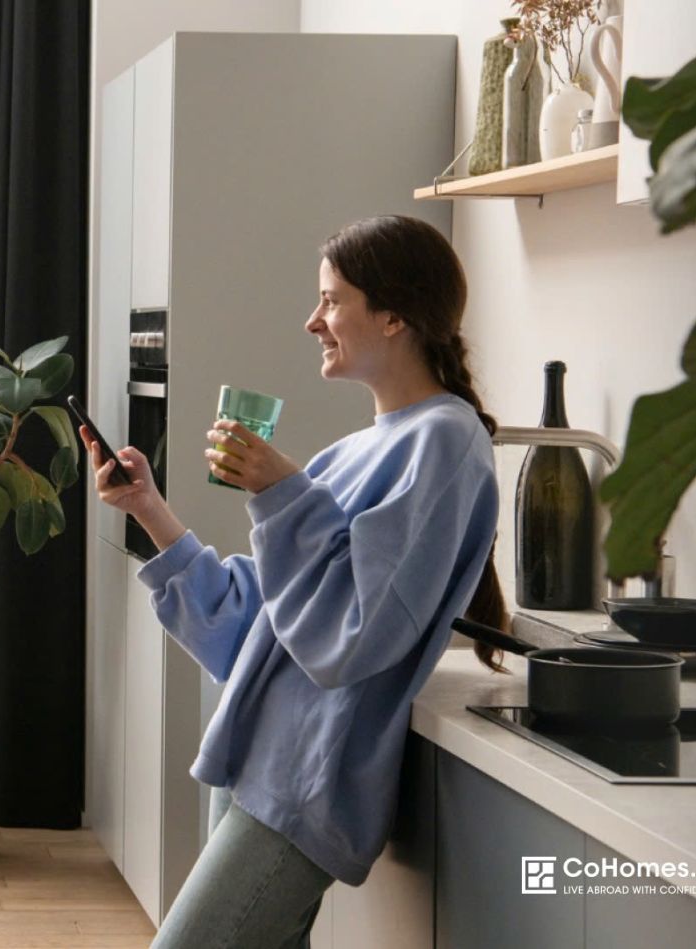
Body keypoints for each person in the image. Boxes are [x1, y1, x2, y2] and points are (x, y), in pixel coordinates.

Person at [83, 216, 505, 948]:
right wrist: (149, 509)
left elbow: (352, 634)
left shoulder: (446, 440)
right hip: (258, 763)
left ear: (395, 314)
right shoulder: (360, 450)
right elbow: (260, 624)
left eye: (332, 301)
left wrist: (283, 494)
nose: (313, 321)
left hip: (303, 777)